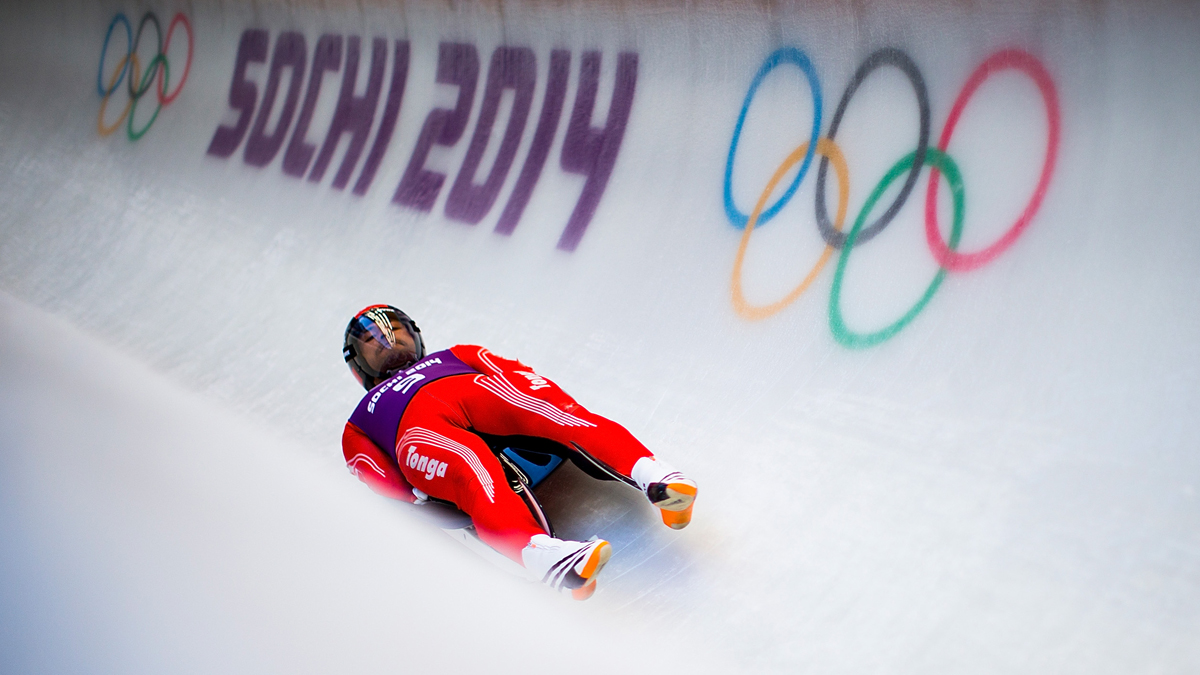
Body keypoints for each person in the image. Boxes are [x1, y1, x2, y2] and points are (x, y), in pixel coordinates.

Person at [340, 305, 697, 600]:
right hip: (417, 433)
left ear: (415, 336)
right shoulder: (360, 420)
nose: (388, 344)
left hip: (475, 390)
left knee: (555, 417)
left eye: (396, 334)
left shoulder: (455, 355)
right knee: (472, 466)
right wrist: (411, 497)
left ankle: (658, 477)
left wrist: (553, 401)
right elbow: (368, 466)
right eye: (373, 344)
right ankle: (548, 556)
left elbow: (514, 373)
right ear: (361, 365)